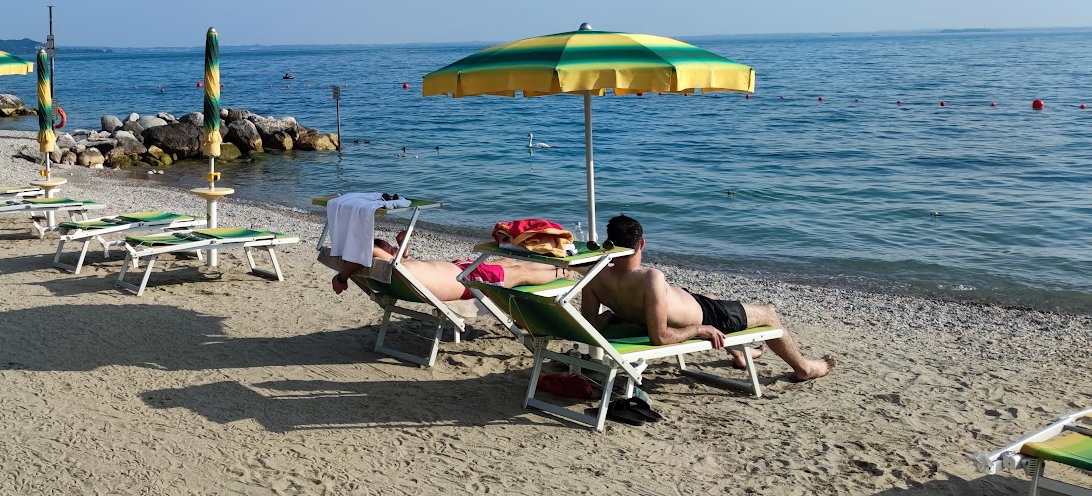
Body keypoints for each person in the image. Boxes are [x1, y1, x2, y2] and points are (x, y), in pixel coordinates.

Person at [581, 215, 833, 382]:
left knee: (708, 296)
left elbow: (589, 323)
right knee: (767, 312)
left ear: (608, 244)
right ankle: (804, 369)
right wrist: (700, 329)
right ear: (642, 243)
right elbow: (661, 337)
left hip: (682, 307)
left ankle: (739, 354)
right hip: (708, 316)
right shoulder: (650, 277)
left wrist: (614, 313)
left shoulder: (593, 275)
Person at [330, 233, 572, 302]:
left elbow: (394, 260)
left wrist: (402, 246)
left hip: (460, 269)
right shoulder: (389, 263)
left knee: (508, 263)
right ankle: (565, 272)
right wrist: (341, 278)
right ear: (384, 253)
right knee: (519, 274)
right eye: (389, 248)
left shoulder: (398, 268)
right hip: (466, 280)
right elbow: (365, 250)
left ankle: (559, 263)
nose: (393, 250)